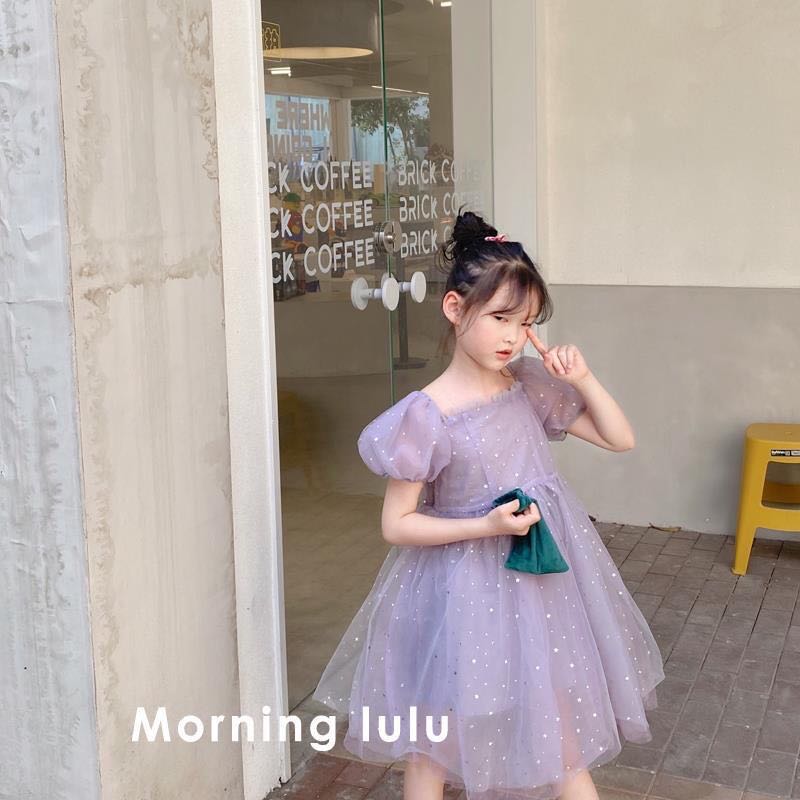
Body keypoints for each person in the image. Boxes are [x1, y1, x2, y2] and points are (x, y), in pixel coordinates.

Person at [312, 209, 665, 800]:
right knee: (435, 738)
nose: (512, 337)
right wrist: (485, 524)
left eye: (525, 323)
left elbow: (619, 438)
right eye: (500, 318)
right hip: (459, 592)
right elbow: (396, 525)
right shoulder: (426, 415)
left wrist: (582, 378)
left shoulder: (526, 383)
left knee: (561, 729)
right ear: (455, 308)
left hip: (540, 586)